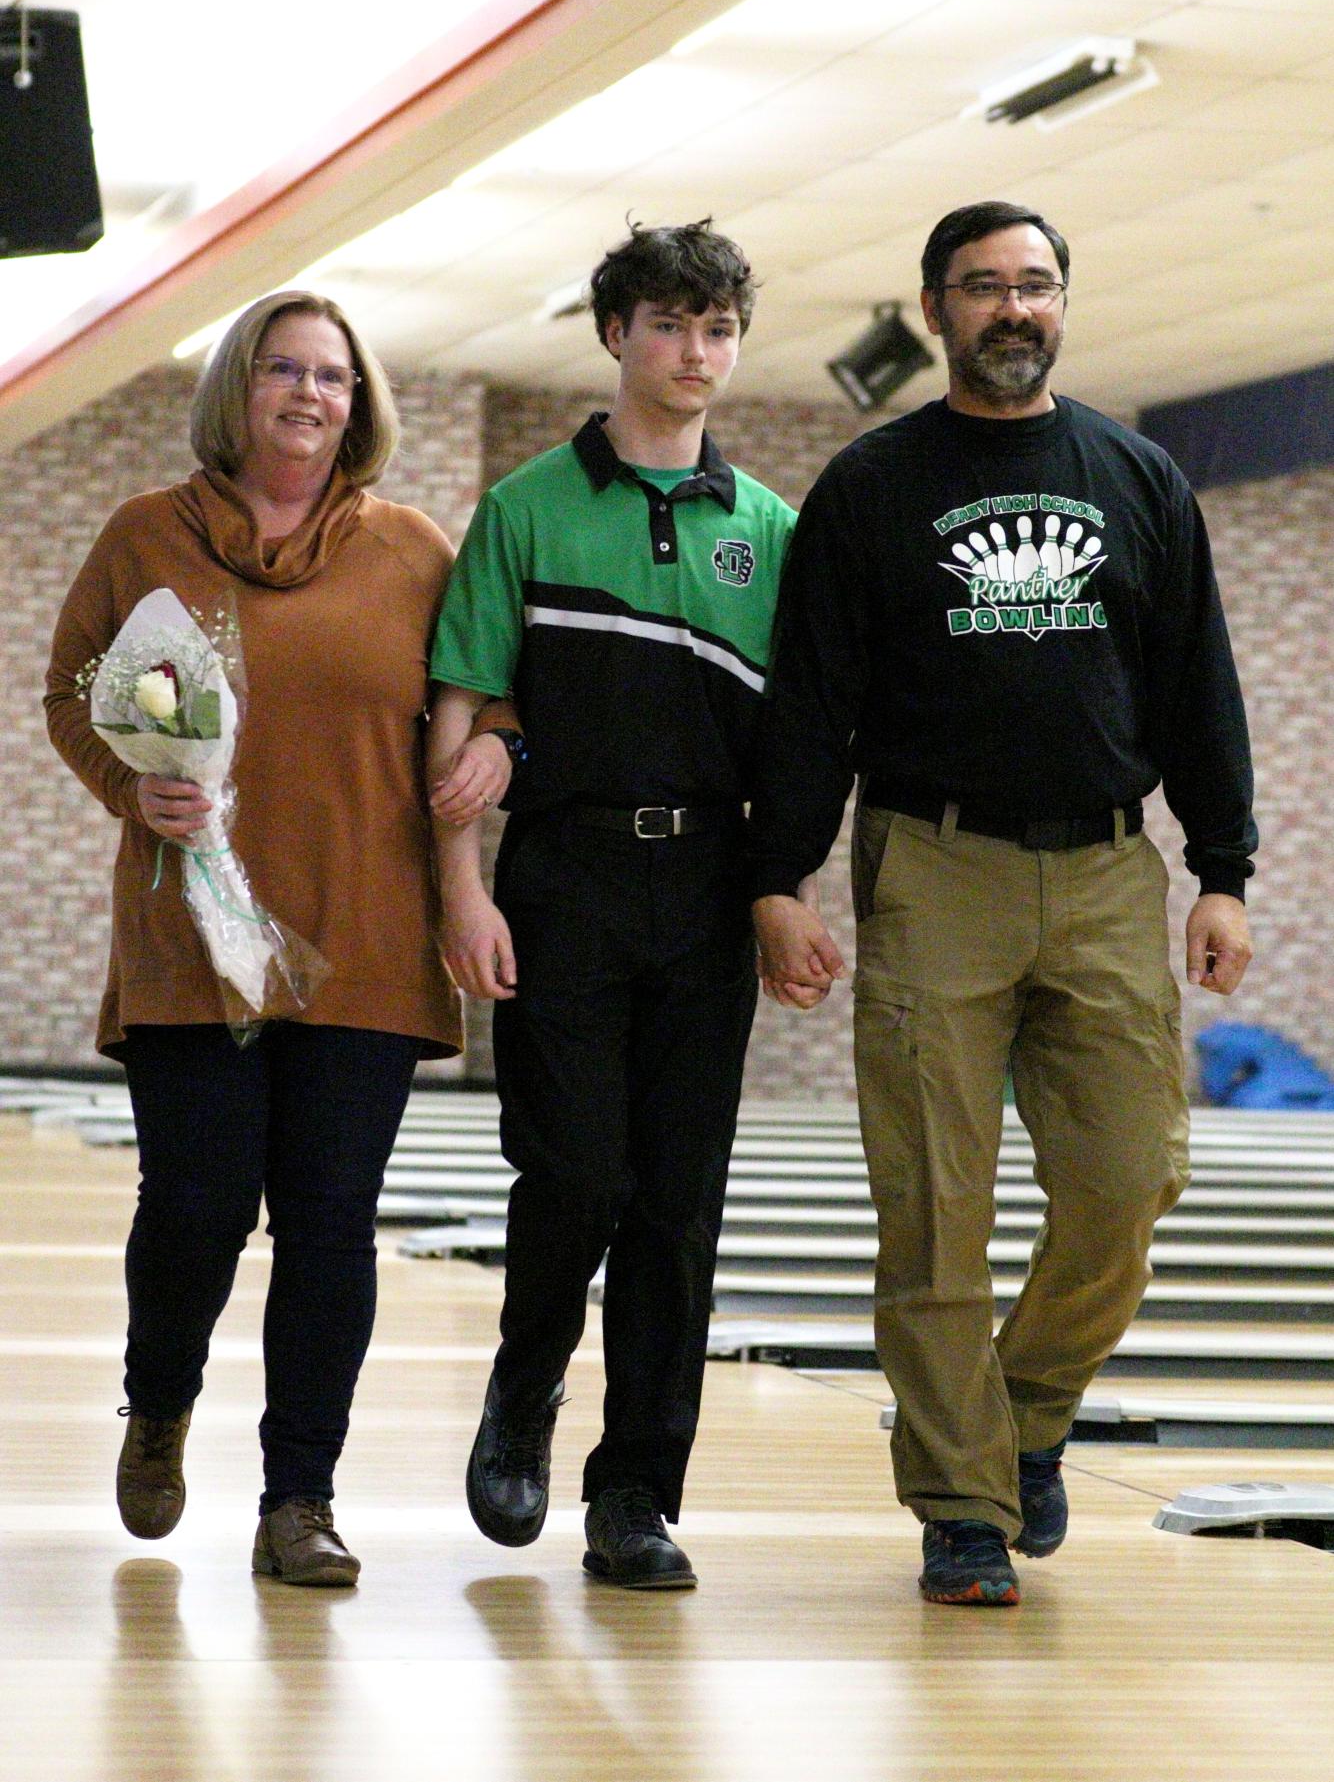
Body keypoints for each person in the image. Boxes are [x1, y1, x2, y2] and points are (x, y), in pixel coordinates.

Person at [750, 200, 1256, 1607]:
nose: (1012, 308)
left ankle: (1020, 1416)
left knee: (1126, 1183)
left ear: (1062, 306)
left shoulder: (1138, 474)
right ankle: (962, 1509)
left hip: (1105, 869)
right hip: (933, 866)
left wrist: (1222, 866)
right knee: (933, 1211)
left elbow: (1195, 687)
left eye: (1035, 285)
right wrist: (776, 880)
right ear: (934, 311)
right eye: (983, 287)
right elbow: (811, 704)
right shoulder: (869, 485)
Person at [45, 291, 513, 1586]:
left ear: (358, 401)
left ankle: (297, 1497)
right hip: (196, 928)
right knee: (195, 1208)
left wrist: (490, 750)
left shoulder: (413, 548)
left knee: (326, 1226)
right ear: (238, 390)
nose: (310, 393)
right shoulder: (149, 532)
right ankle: (157, 1401)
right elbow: (74, 686)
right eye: (283, 370)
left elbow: (488, 692)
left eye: (334, 376)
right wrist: (127, 783)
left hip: (364, 933)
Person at [428, 220, 797, 1589]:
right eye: (666, 325)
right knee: (575, 1171)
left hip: (706, 890)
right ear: (614, 334)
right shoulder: (526, 506)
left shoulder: (768, 529)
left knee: (675, 1206)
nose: (692, 354)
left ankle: (634, 1489)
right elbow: (459, 701)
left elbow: (797, 745)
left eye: (715, 330)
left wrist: (782, 891)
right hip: (563, 878)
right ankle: (521, 1399)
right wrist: (460, 890)